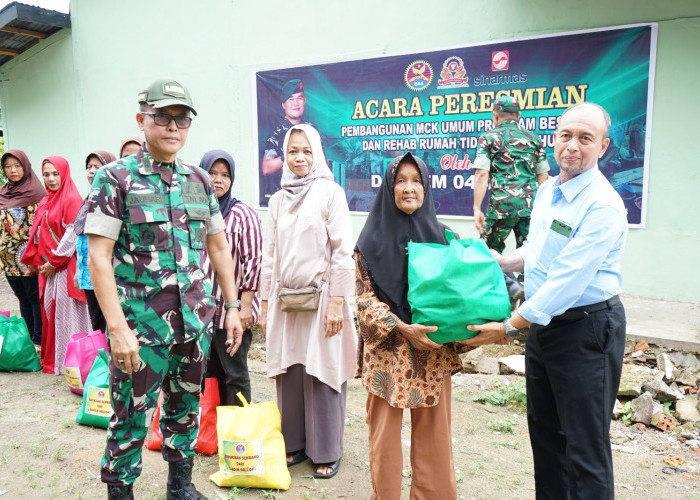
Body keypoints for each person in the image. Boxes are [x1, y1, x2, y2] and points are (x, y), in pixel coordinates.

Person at [85, 78, 243, 500]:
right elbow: (98, 258)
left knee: (186, 407)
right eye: (163, 117)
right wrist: (117, 329)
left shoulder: (197, 180)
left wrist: (231, 306)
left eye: (182, 119)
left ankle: (180, 485)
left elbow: (218, 245)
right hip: (140, 329)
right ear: (143, 120)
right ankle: (121, 491)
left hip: (194, 323)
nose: (173, 127)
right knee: (130, 415)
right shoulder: (114, 178)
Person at [464, 102, 628, 500]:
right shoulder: (546, 191)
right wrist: (501, 261)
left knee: (585, 448)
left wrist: (507, 327)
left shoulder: (602, 205)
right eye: (566, 136)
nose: (572, 146)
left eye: (585, 138)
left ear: (602, 147)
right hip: (544, 326)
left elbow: (567, 282)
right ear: (554, 140)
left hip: (586, 329)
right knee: (547, 438)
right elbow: (538, 252)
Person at [355, 151, 462, 499]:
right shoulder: (369, 241)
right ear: (389, 187)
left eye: (416, 180)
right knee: (384, 440)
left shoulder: (445, 237)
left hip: (430, 350)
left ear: (427, 186)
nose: (409, 188)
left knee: (435, 439)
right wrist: (401, 326)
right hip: (388, 351)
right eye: (400, 180)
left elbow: (459, 294)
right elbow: (364, 300)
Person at [259, 124, 357, 479]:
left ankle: (327, 450)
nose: (299, 158)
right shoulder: (278, 200)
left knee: (323, 369)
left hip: (323, 299)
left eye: (306, 151)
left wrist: (336, 302)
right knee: (291, 368)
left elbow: (343, 252)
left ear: (317, 154)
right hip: (286, 301)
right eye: (292, 152)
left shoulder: (330, 193)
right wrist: (265, 304)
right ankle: (295, 445)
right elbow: (269, 254)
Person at [200, 149, 263, 406]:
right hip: (203, 312)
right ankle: (212, 432)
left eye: (225, 175)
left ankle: (238, 434)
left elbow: (255, 262)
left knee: (234, 373)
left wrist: (245, 306)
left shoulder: (242, 214)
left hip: (232, 313)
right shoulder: (195, 212)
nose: (218, 180)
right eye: (212, 173)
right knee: (207, 373)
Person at [21, 156, 91, 375]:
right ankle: (61, 360)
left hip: (64, 267)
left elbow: (72, 236)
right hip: (50, 268)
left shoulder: (71, 199)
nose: (51, 179)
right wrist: (35, 260)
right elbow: (39, 232)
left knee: (68, 316)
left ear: (65, 174)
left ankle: (74, 363)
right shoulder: (47, 200)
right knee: (54, 314)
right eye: (46, 174)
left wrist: (53, 262)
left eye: (55, 174)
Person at [66, 150, 117, 333]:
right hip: (88, 274)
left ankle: (106, 359)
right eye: (89, 167)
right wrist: (79, 273)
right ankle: (100, 359)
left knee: (105, 323)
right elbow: (82, 240)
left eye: (98, 167)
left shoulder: (110, 200)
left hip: (102, 273)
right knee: (96, 322)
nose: (92, 171)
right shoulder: (89, 198)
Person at [0, 149, 46, 346]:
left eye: (17, 165)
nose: (13, 170)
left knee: (34, 297)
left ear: (25, 166)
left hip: (29, 256)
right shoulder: (2, 192)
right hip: (7, 257)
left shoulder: (37, 192)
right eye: (8, 166)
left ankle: (39, 340)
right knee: (21, 297)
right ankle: (28, 340)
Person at [260, 79, 314, 205]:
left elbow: (322, 163)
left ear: (304, 100)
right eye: (291, 99)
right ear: (284, 104)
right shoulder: (277, 134)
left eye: (299, 98)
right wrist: (289, 156)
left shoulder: (312, 130)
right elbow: (266, 168)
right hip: (286, 200)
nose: (296, 103)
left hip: (309, 198)